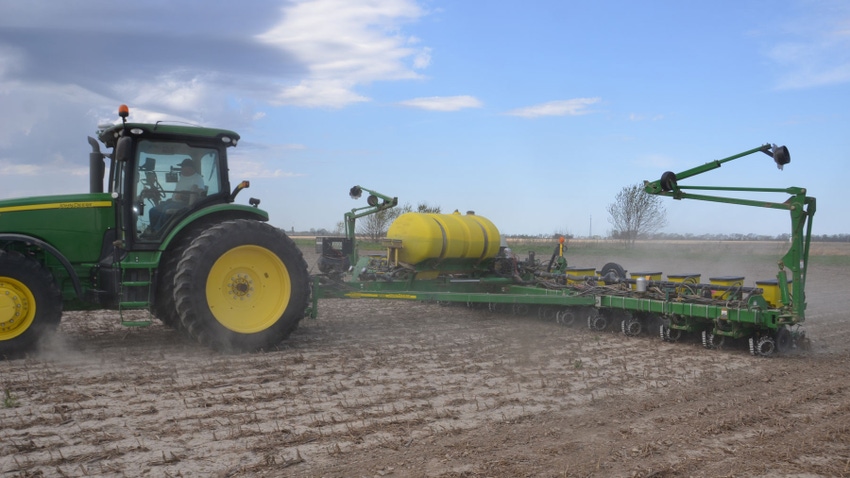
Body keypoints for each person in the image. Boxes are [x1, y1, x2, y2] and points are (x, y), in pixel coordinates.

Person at [148, 158, 205, 233]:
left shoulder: (197, 178)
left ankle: (159, 232)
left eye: (183, 167)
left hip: (184, 204)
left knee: (166, 209)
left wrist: (183, 196)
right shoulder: (183, 177)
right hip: (173, 201)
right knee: (153, 211)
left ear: (189, 168)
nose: (181, 169)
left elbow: (198, 194)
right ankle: (152, 231)